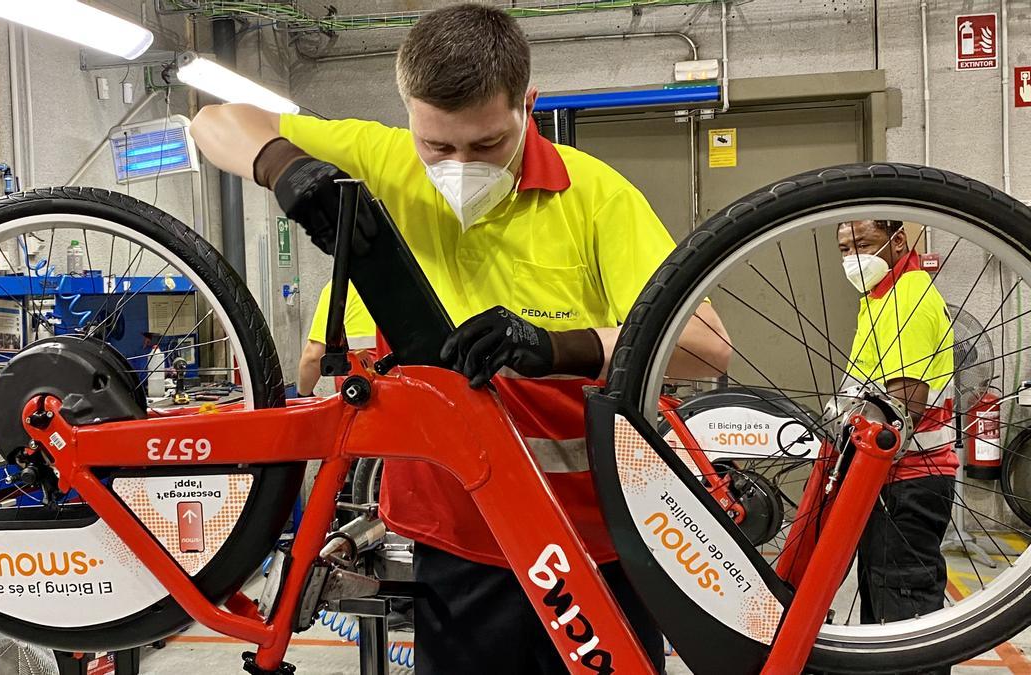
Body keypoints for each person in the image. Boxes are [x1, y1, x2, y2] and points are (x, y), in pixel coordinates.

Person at [191, 5, 732, 672]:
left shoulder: (597, 197)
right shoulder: (384, 159)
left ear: (527, 105)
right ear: (408, 113)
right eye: (437, 146)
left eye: (485, 145)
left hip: (593, 539)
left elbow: (707, 348)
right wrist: (284, 167)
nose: (457, 166)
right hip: (453, 534)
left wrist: (561, 347)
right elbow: (213, 120)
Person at [839, 219, 956, 674]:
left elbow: (901, 405)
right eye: (845, 248)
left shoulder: (910, 296)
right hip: (886, 479)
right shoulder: (877, 300)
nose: (853, 258)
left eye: (863, 244)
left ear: (898, 241)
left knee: (903, 607)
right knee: (883, 608)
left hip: (909, 478)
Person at [297, 281, 376, 397]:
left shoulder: (343, 286)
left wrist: (303, 396)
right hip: (409, 397)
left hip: (364, 400)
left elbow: (313, 357)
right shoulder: (411, 271)